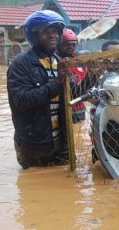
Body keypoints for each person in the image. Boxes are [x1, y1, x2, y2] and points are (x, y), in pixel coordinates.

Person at [7, 10, 69, 169]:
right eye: (46, 32)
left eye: (55, 31)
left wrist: (92, 77)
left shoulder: (59, 61)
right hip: (34, 145)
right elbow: (22, 100)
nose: (52, 35)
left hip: (62, 142)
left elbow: (72, 93)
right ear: (34, 35)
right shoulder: (20, 64)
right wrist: (56, 84)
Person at [56, 28, 95, 123]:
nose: (71, 47)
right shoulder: (57, 62)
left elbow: (86, 86)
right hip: (64, 109)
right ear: (59, 44)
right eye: (67, 44)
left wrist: (93, 73)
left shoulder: (79, 62)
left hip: (80, 109)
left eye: (73, 44)